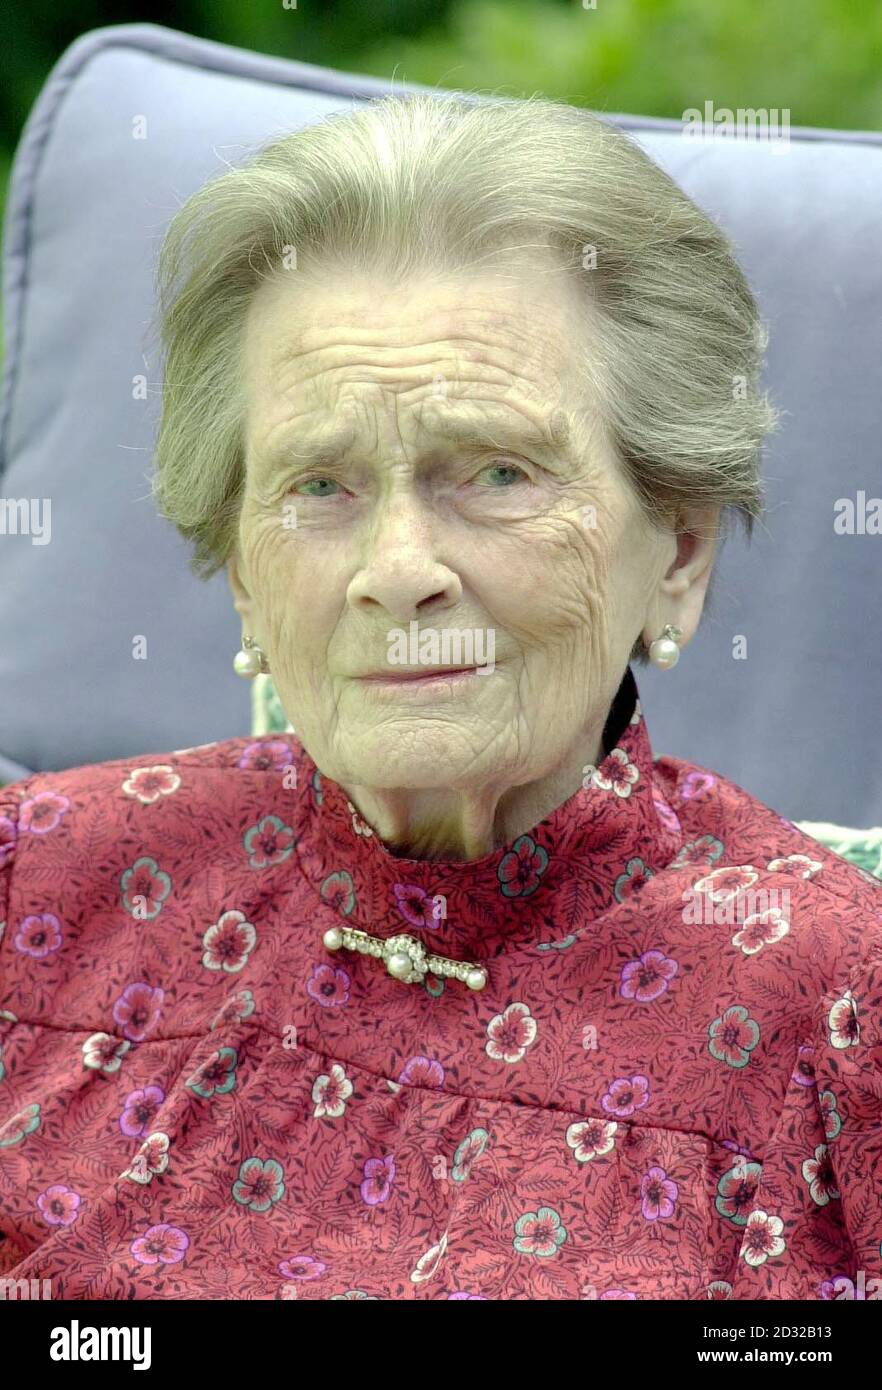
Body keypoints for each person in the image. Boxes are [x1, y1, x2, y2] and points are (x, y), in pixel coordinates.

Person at [1, 92, 879, 1300]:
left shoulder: (840, 1014)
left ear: (675, 551)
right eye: (321, 484)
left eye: (498, 471)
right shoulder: (30, 887)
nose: (399, 570)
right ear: (245, 576)